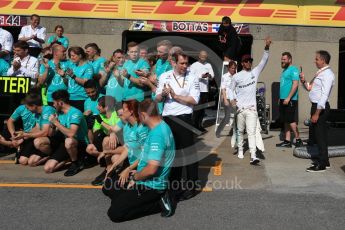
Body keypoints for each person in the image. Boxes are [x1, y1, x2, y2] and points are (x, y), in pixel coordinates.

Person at [106, 99, 176, 222]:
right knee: (109, 187)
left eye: (139, 114)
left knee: (114, 213)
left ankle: (159, 203)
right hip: (143, 177)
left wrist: (136, 178)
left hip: (151, 185)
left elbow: (151, 170)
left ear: (143, 115)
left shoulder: (157, 135)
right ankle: (129, 198)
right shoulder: (160, 127)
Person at [156, 51, 200, 200]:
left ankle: (192, 186)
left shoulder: (192, 77)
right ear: (173, 63)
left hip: (185, 117)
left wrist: (175, 96)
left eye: (186, 63)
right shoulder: (164, 76)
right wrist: (162, 94)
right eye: (181, 63)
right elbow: (157, 99)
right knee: (172, 153)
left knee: (187, 153)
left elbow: (194, 100)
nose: (185, 66)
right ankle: (175, 186)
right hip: (168, 118)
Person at [229, 37, 271, 164]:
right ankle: (241, 149)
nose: (249, 63)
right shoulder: (236, 76)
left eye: (250, 61)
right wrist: (232, 100)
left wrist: (267, 47)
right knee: (240, 131)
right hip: (240, 109)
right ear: (242, 63)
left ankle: (253, 155)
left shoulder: (255, 72)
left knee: (252, 132)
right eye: (246, 61)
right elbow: (230, 89)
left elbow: (264, 61)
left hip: (252, 110)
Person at [36, 90, 89, 176]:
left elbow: (72, 134)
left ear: (60, 103)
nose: (53, 105)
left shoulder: (75, 113)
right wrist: (52, 124)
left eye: (54, 103)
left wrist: (56, 122)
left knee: (69, 141)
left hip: (80, 143)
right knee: (48, 169)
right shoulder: (58, 113)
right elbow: (50, 134)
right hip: (66, 144)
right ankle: (70, 158)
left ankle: (75, 163)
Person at [300, 50, 335, 172]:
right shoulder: (320, 73)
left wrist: (316, 113)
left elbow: (324, 96)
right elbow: (310, 88)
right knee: (320, 136)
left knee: (320, 137)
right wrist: (304, 81)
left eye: (316, 59)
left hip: (321, 108)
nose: (314, 61)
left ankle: (322, 165)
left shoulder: (328, 75)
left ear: (323, 60)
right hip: (316, 107)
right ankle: (325, 161)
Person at [11, 93, 56, 166]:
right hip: (43, 138)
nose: (27, 109)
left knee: (37, 142)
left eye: (28, 107)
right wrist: (22, 136)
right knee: (27, 162)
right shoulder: (37, 113)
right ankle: (46, 155)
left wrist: (25, 134)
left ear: (34, 106)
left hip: (54, 138)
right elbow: (37, 128)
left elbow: (45, 132)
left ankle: (54, 155)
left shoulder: (47, 110)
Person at [86, 96, 121, 185]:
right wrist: (89, 127)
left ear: (107, 107)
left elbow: (116, 130)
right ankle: (106, 163)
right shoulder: (100, 116)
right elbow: (94, 137)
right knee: (90, 148)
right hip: (108, 144)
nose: (97, 107)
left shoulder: (116, 115)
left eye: (99, 105)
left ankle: (109, 168)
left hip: (121, 142)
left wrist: (102, 123)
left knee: (106, 139)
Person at [276, 52, 303, 148]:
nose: (282, 61)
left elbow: (295, 85)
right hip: (284, 99)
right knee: (285, 120)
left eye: (284, 59)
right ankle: (287, 141)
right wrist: (281, 98)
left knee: (291, 120)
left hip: (290, 100)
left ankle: (298, 139)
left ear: (289, 59)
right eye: (282, 59)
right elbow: (284, 86)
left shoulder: (293, 69)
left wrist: (288, 98)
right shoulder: (284, 70)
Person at [190, 50, 215, 132]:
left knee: (203, 109)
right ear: (199, 56)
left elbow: (212, 76)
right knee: (197, 109)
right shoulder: (194, 65)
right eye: (202, 57)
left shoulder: (208, 65)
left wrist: (209, 75)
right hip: (197, 90)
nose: (204, 59)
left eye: (205, 57)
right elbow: (191, 77)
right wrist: (201, 76)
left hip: (205, 89)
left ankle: (200, 125)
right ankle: (194, 125)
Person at [66, 46, 94, 112]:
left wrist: (73, 76)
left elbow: (86, 83)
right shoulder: (72, 66)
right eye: (70, 56)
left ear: (80, 55)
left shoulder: (88, 67)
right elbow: (68, 82)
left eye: (73, 55)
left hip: (81, 98)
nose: (71, 57)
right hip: (70, 97)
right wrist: (63, 76)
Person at [216, 61, 237, 137]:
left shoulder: (236, 76)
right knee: (227, 117)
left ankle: (236, 131)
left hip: (234, 98)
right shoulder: (225, 76)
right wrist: (225, 99)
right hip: (227, 98)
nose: (233, 70)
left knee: (237, 115)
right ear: (228, 68)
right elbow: (223, 89)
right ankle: (218, 131)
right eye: (232, 68)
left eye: (234, 68)